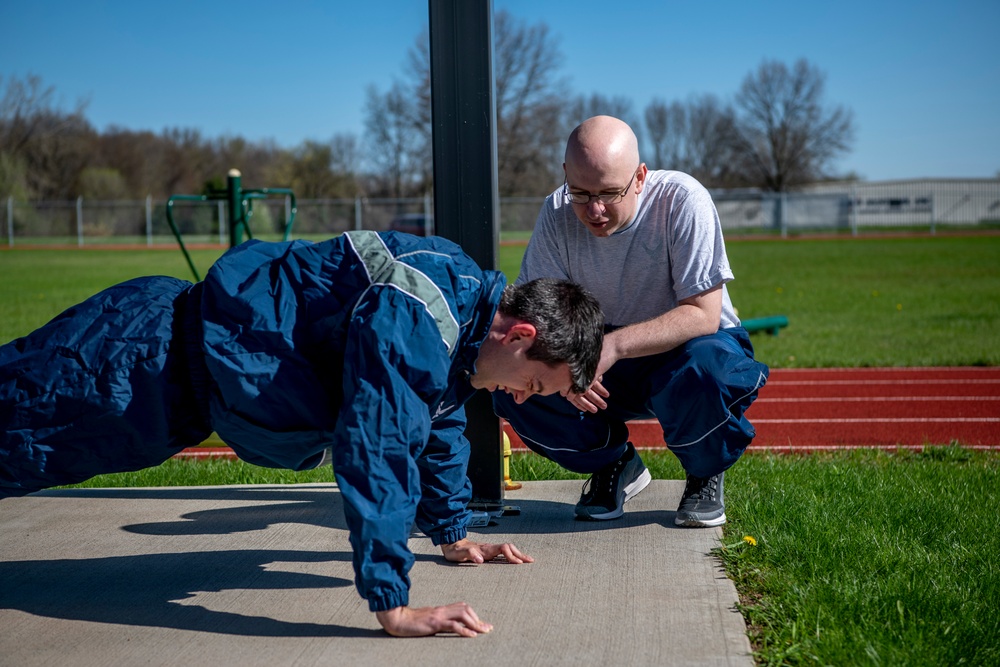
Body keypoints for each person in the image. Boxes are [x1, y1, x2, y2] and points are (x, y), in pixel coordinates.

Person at [0, 230, 604, 638]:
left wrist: (451, 534)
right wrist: (393, 606)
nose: (522, 398)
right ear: (521, 335)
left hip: (177, 389)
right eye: (537, 385)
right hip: (137, 360)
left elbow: (437, 423)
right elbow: (380, 444)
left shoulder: (463, 321)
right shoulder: (424, 311)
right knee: (15, 442)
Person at [494, 115, 769, 528]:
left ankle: (704, 471)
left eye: (609, 193)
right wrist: (560, 366)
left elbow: (702, 313)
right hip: (598, 354)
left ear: (640, 177)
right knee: (516, 381)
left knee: (709, 370)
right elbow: (536, 314)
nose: (595, 210)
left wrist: (612, 346)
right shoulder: (556, 211)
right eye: (581, 193)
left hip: (688, 345)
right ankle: (614, 462)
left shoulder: (682, 200)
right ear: (565, 175)